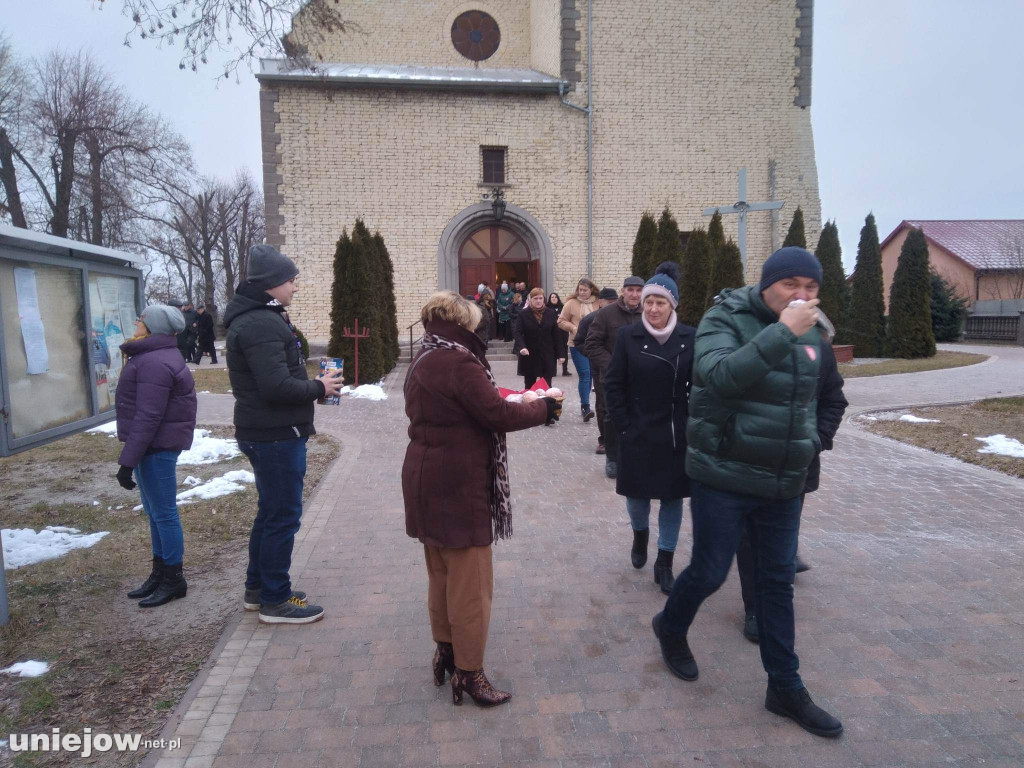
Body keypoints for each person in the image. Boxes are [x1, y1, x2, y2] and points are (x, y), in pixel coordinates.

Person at [652, 247, 843, 738]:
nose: (802, 297)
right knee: (711, 571)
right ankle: (670, 627)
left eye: (812, 288)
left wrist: (812, 441)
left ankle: (785, 686)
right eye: (791, 285)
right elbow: (718, 376)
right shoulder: (727, 317)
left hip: (783, 481)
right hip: (724, 473)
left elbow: (824, 394)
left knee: (776, 583)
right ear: (766, 284)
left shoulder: (813, 332)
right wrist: (784, 333)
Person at [403, 291, 560, 707]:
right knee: (471, 585)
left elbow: (474, 405)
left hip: (424, 478)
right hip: (457, 485)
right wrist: (545, 409)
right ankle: (469, 673)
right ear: (463, 324)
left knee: (441, 576)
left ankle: (447, 653)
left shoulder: (425, 355)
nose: (481, 330)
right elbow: (497, 415)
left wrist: (513, 398)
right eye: (477, 323)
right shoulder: (458, 360)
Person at [224, 244, 345, 624]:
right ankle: (275, 600)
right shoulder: (259, 322)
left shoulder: (261, 316)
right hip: (274, 435)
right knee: (283, 517)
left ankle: (258, 589)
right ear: (272, 283)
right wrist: (319, 387)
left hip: (269, 431)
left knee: (270, 513)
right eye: (291, 279)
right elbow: (275, 386)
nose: (295, 286)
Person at [738, 311, 847, 642]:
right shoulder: (753, 345)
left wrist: (815, 441)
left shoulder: (820, 351)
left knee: (781, 540)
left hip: (796, 465)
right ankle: (754, 608)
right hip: (748, 462)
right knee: (748, 539)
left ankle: (772, 602)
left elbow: (834, 402)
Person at [604, 264, 694, 595]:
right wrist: (624, 425)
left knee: (672, 500)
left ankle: (665, 562)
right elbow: (612, 383)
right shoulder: (629, 337)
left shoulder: (689, 337)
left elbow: (698, 386)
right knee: (637, 495)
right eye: (649, 302)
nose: (653, 309)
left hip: (674, 431)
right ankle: (640, 535)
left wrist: (691, 425)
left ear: (673, 306)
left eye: (661, 303)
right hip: (637, 428)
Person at [116, 304, 197, 608]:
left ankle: (174, 579)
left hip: (156, 447)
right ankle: (160, 573)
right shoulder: (151, 355)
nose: (136, 322)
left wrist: (127, 460)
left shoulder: (152, 362)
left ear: (153, 328)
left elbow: (148, 416)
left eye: (141, 319)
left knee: (163, 513)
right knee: (155, 512)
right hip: (150, 446)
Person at [583, 275, 645, 478]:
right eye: (631, 290)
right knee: (612, 417)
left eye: (638, 290)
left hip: (641, 378)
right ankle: (613, 457)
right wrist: (614, 365)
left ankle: (636, 457)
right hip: (612, 378)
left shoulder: (648, 314)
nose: (634, 294)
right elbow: (592, 344)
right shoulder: (606, 314)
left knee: (639, 416)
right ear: (623, 291)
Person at [574, 287, 617, 450]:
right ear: (601, 303)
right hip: (599, 367)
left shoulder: (620, 317)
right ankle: (604, 439)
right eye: (609, 302)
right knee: (603, 403)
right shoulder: (591, 319)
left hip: (620, 366)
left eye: (615, 302)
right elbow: (579, 341)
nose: (612, 305)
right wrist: (594, 355)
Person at [558, 278, 599, 420]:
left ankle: (593, 405)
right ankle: (585, 406)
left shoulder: (598, 303)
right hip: (577, 344)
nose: (581, 292)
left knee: (593, 375)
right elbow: (561, 321)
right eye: (580, 290)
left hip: (596, 343)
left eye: (585, 290)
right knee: (585, 374)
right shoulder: (571, 303)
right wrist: (573, 328)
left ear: (591, 290)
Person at [513, 288, 564, 389]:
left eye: (540, 298)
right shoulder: (523, 314)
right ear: (530, 299)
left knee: (546, 386)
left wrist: (561, 354)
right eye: (535, 298)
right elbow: (517, 332)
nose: (538, 301)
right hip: (529, 354)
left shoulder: (551, 313)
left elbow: (556, 335)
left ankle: (545, 404)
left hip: (547, 354)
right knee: (529, 386)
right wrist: (522, 347)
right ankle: (530, 404)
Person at [547, 292, 570, 376]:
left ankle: (565, 370)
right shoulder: (547, 308)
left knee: (564, 350)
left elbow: (567, 318)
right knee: (553, 352)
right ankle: (553, 370)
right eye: (552, 297)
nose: (554, 298)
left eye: (555, 297)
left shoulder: (563, 307)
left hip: (563, 332)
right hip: (552, 333)